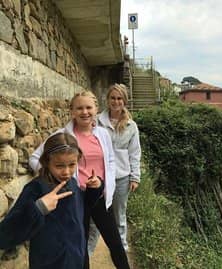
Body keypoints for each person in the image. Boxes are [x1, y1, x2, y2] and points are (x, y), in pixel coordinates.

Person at [30, 91, 130, 269]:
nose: (85, 112)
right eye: (80, 108)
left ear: (96, 109)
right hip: (74, 198)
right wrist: (55, 176)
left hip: (98, 196)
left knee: (115, 242)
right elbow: (35, 158)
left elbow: (111, 160)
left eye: (89, 107)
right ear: (72, 111)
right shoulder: (62, 136)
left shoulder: (102, 134)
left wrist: (107, 186)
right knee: (80, 245)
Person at [0, 133, 102, 268]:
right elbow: (5, 235)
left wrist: (95, 189)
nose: (66, 172)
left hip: (76, 260)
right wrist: (38, 208)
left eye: (72, 164)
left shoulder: (72, 183)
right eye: (59, 166)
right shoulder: (36, 188)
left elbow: (82, 209)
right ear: (47, 162)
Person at [97, 84, 141, 251]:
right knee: (96, 216)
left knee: (119, 214)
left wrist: (135, 177)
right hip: (100, 176)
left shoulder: (131, 126)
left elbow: (135, 152)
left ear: (124, 101)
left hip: (121, 177)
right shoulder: (97, 122)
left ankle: (120, 246)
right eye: (113, 98)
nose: (116, 101)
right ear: (108, 100)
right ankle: (87, 250)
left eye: (119, 98)